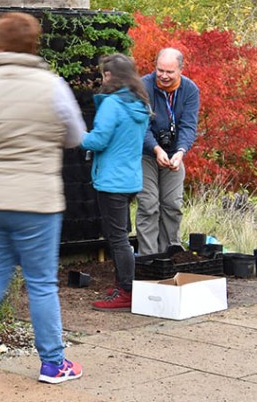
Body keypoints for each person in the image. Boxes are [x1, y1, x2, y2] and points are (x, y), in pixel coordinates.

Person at [0, 12, 86, 385]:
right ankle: (53, 363)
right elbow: (75, 135)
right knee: (40, 281)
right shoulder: (52, 86)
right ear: (34, 43)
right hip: (34, 199)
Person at [81, 54, 151, 311]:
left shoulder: (112, 104)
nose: (102, 79)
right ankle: (122, 284)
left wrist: (77, 134)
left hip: (111, 181)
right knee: (120, 234)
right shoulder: (140, 104)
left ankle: (126, 291)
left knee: (117, 238)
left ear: (110, 76)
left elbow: (98, 140)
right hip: (130, 179)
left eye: (103, 75)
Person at [137, 47, 200, 256]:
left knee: (172, 204)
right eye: (160, 70)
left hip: (174, 154)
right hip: (146, 153)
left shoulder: (190, 90)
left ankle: (169, 255)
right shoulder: (143, 86)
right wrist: (156, 148)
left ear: (181, 69)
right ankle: (148, 257)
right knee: (148, 204)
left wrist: (181, 151)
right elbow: (141, 126)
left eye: (169, 72)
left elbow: (188, 126)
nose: (163, 76)